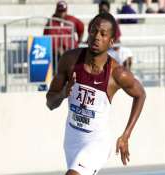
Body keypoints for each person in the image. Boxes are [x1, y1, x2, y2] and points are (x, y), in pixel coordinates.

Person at [46, 12, 146, 175]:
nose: (97, 37)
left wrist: (126, 135)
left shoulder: (117, 74)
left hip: (97, 142)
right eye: (93, 31)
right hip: (71, 139)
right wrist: (64, 93)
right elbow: (50, 103)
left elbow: (140, 95)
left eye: (103, 34)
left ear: (111, 41)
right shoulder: (70, 61)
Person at [43, 0, 84, 74]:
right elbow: (46, 36)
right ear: (56, 10)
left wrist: (78, 41)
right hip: (56, 55)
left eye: (63, 11)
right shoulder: (51, 22)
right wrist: (55, 48)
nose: (62, 13)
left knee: (72, 72)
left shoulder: (72, 20)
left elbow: (81, 27)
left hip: (70, 52)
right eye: (60, 11)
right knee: (58, 74)